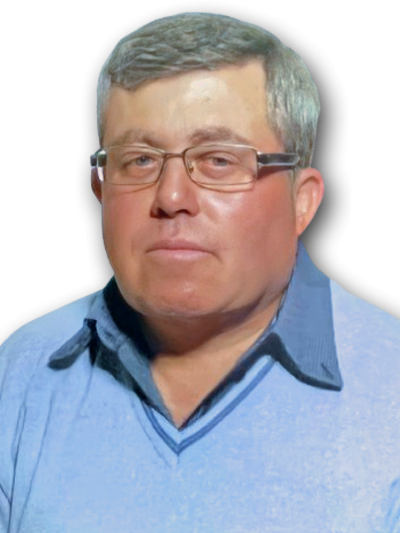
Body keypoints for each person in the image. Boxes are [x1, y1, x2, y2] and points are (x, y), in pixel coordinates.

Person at [1, 11, 399, 533]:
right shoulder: (19, 375)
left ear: (302, 201)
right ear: (100, 189)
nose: (170, 197)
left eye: (218, 161)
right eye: (139, 160)